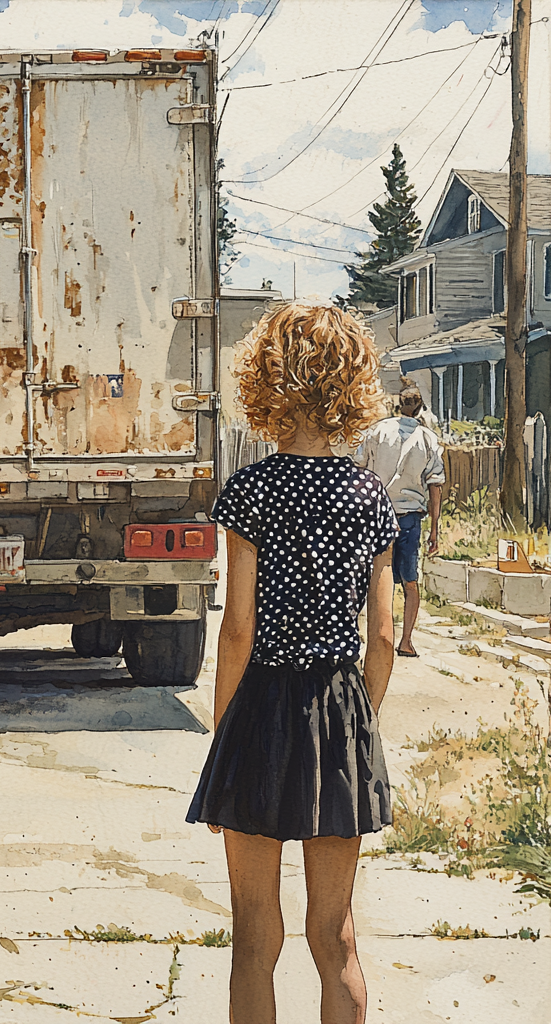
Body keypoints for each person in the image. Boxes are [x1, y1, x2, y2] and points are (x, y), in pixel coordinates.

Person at [187, 304, 397, 1024]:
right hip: (340, 709)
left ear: (265, 383)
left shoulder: (251, 493)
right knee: (334, 934)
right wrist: (360, 718)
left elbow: (237, 630)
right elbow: (384, 637)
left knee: (254, 936)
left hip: (262, 709)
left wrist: (225, 734)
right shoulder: (369, 498)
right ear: (353, 386)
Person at [354, 381, 445, 658]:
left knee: (366, 575)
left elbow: (358, 468)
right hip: (408, 518)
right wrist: (435, 530)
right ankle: (405, 640)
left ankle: (362, 633)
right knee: (409, 580)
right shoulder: (429, 439)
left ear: (398, 405)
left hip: (374, 514)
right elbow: (435, 486)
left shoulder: (377, 431)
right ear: (420, 410)